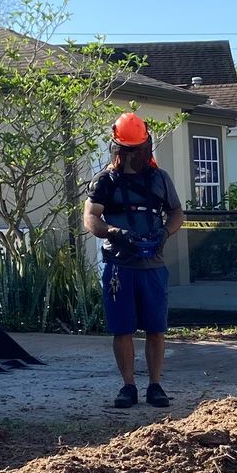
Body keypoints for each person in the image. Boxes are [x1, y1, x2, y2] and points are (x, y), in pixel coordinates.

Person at [84, 112, 184, 408]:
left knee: (156, 328)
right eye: (128, 150)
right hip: (119, 265)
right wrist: (113, 232)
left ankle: (155, 385)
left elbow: (177, 212)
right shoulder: (104, 181)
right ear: (117, 149)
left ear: (146, 147)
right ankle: (128, 386)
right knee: (122, 328)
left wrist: (165, 232)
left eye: (139, 149)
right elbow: (90, 217)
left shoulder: (159, 179)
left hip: (153, 265)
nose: (134, 156)